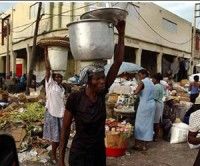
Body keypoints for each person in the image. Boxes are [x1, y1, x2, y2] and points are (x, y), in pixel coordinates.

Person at [59, 21, 125, 166]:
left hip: (98, 153)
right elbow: (65, 128)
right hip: (80, 155)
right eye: (98, 78)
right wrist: (60, 159)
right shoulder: (75, 98)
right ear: (88, 80)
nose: (103, 81)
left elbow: (118, 62)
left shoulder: (101, 93)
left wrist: (121, 33)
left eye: (103, 77)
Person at [43, 47, 65, 164]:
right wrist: (46, 53)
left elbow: (62, 102)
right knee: (55, 137)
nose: (58, 78)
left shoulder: (62, 88)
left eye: (60, 77)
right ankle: (53, 155)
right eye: (56, 76)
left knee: (61, 137)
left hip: (61, 114)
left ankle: (56, 153)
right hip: (52, 113)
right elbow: (47, 69)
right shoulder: (50, 85)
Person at [133, 69, 156, 151]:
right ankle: (145, 145)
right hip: (151, 105)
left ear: (143, 75)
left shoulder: (142, 82)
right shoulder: (152, 83)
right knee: (149, 124)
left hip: (144, 105)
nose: (139, 77)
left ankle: (137, 144)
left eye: (139, 75)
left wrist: (134, 91)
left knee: (139, 124)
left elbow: (136, 92)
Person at [152, 73, 164, 141]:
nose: (152, 80)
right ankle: (156, 135)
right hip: (160, 104)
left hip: (157, 104)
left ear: (155, 79)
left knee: (156, 121)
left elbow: (154, 97)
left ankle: (156, 136)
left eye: (153, 79)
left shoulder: (156, 86)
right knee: (157, 120)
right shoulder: (160, 85)